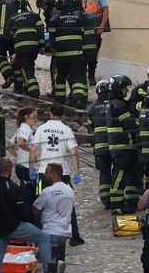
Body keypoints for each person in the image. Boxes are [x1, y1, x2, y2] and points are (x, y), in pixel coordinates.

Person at [29, 103, 86, 245]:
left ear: (50, 113)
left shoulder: (41, 129)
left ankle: (38, 236)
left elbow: (32, 150)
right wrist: (77, 172)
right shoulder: (66, 130)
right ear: (62, 114)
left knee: (39, 204)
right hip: (63, 173)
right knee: (68, 203)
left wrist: (31, 169)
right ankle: (74, 236)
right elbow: (74, 152)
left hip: (44, 172)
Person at [107, 75, 139, 214]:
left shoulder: (115, 103)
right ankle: (117, 204)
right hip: (122, 147)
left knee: (122, 174)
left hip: (120, 146)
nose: (126, 90)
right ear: (118, 89)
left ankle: (121, 202)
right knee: (119, 174)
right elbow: (129, 124)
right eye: (124, 87)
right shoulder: (119, 105)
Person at [49, 0, 88, 109]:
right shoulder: (78, 18)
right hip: (77, 55)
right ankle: (78, 99)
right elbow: (83, 35)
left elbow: (50, 39)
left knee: (60, 77)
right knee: (77, 78)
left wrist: (52, 48)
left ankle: (60, 101)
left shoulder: (54, 19)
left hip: (61, 56)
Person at [33, 163, 75, 253]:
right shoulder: (69, 190)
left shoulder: (47, 192)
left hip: (50, 231)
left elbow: (35, 209)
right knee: (59, 260)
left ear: (53, 174)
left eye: (47, 172)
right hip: (65, 232)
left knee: (47, 262)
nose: (45, 174)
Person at [7, 0, 44, 97]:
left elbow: (11, 37)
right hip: (33, 47)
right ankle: (26, 88)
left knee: (26, 68)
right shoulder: (34, 15)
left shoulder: (11, 19)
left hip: (21, 48)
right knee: (30, 65)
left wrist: (14, 52)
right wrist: (42, 44)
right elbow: (41, 29)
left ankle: (34, 89)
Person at [79, 0, 110, 83]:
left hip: (95, 26)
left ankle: (91, 76)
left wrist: (101, 26)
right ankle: (81, 74)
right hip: (83, 26)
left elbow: (106, 11)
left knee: (93, 54)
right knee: (82, 52)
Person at [87, 80, 113, 209]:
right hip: (114, 146)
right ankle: (116, 196)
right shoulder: (113, 105)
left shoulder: (92, 108)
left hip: (99, 148)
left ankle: (105, 198)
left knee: (104, 173)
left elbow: (90, 126)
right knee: (118, 171)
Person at [70, 0, 101, 86]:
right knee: (92, 62)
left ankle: (79, 80)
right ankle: (91, 77)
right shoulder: (90, 16)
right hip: (91, 45)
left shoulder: (72, 17)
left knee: (79, 65)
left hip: (79, 45)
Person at [36, 0, 59, 97]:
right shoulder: (51, 14)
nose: (43, 9)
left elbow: (50, 32)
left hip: (59, 47)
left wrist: (48, 44)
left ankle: (57, 92)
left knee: (55, 68)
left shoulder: (53, 16)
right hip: (59, 46)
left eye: (43, 6)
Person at [7, 106, 38, 183]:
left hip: (20, 166)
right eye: (34, 117)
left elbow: (9, 146)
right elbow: (21, 143)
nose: (36, 119)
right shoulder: (26, 129)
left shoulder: (21, 128)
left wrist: (20, 156)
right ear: (26, 117)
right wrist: (31, 151)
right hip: (26, 168)